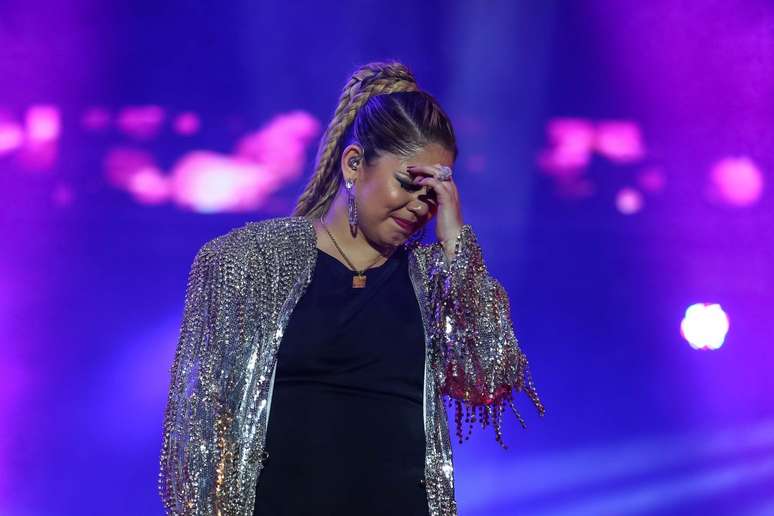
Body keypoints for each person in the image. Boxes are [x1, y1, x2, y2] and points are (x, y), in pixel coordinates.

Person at [158, 61, 544, 516]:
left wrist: (457, 244)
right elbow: (199, 434)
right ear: (354, 164)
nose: (421, 205)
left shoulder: (435, 284)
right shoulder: (248, 262)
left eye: (434, 194)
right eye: (410, 183)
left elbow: (490, 378)